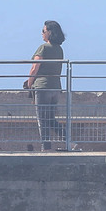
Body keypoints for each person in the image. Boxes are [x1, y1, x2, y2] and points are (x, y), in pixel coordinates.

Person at [23, 20, 66, 150]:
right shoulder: (59, 49)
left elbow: (34, 68)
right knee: (51, 119)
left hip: (42, 87)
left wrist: (29, 84)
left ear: (49, 33)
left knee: (42, 120)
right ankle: (69, 140)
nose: (42, 33)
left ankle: (45, 147)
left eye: (43, 31)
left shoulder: (43, 48)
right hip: (55, 87)